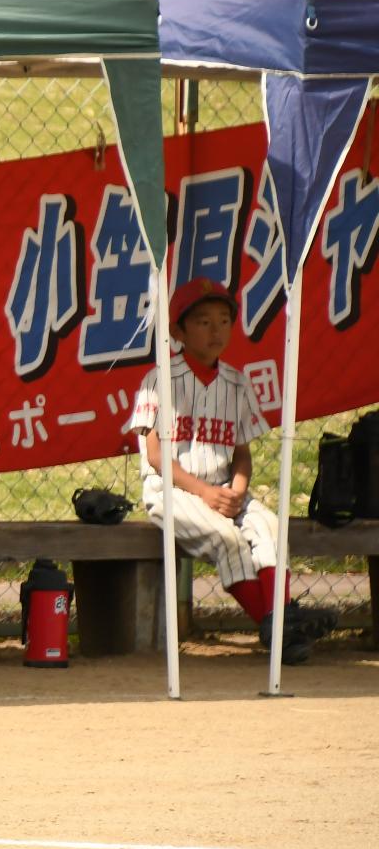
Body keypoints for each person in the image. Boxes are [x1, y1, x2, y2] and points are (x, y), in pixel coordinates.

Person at [126, 278, 328, 663]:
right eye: (202, 321)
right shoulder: (160, 379)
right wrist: (206, 493)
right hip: (173, 490)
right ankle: (282, 625)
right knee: (228, 539)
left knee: (270, 527)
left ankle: (281, 627)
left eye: (223, 319)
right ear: (177, 331)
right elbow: (154, 456)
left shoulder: (236, 382)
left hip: (225, 490)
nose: (216, 329)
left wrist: (237, 488)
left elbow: (241, 455)